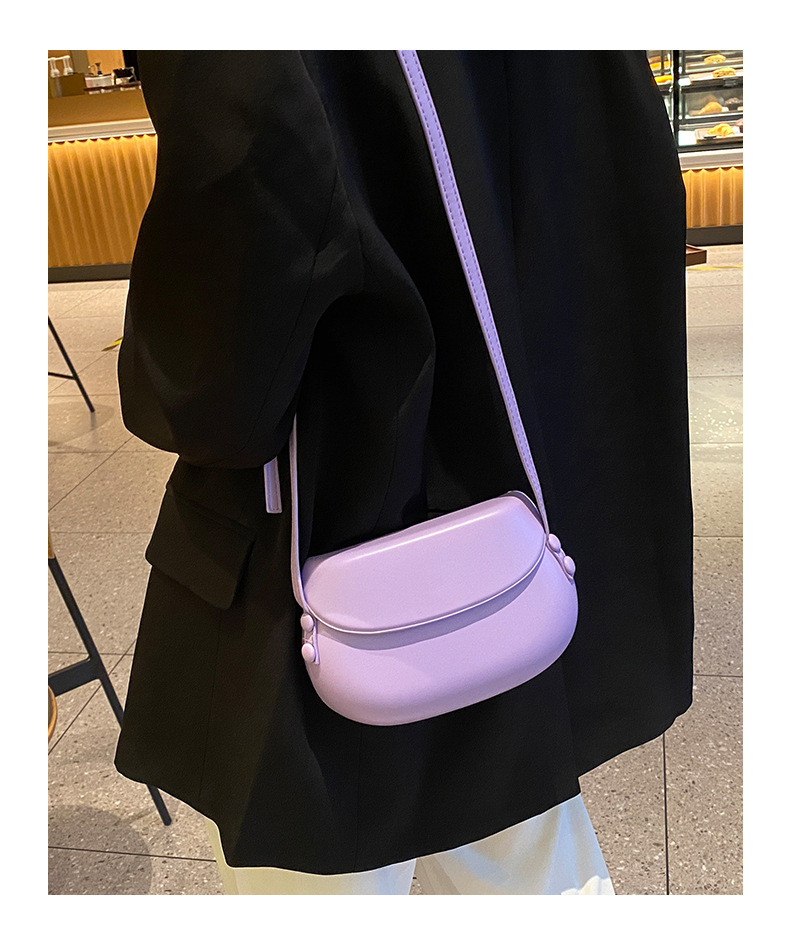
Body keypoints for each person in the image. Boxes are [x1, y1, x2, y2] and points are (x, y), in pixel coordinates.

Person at [114, 50, 693, 894]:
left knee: (322, 859)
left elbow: (245, 214)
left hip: (333, 510)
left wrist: (163, 389)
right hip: (533, 480)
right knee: (520, 831)